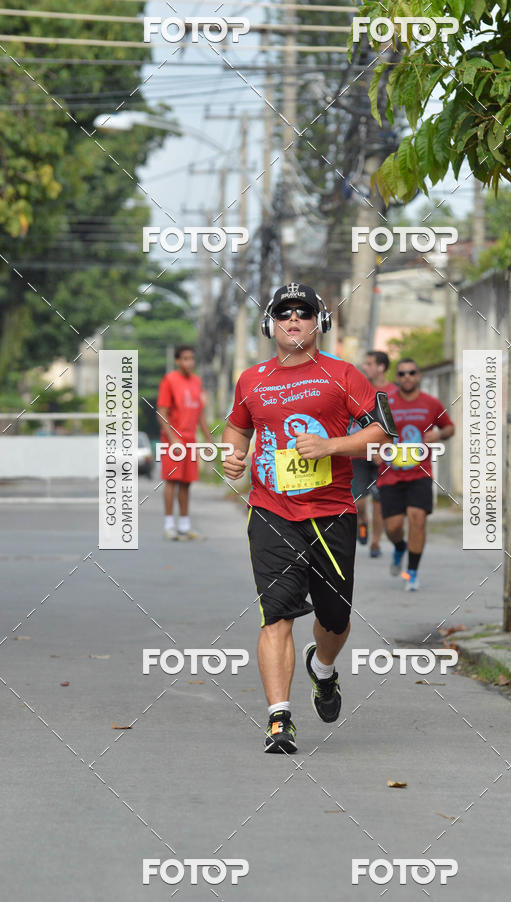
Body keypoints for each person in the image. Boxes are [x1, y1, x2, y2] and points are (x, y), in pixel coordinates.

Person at [222, 283, 395, 754]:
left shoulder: (343, 375)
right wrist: (234, 458)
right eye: (284, 313)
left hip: (332, 512)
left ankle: (323, 668)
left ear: (320, 321)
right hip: (271, 512)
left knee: (335, 620)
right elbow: (237, 429)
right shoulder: (251, 379)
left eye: (303, 312)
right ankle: (279, 720)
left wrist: (332, 446)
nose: (293, 319)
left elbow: (384, 433)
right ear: (270, 325)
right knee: (275, 614)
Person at [377, 358, 454, 590]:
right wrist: (375, 451)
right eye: (402, 374)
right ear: (397, 378)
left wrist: (439, 435)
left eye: (411, 372)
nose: (407, 377)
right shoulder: (386, 404)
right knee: (392, 528)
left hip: (420, 473)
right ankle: (400, 547)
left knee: (417, 520)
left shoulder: (430, 403)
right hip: (390, 474)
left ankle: (411, 573)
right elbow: (371, 432)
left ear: (418, 376)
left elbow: (449, 427)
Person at [157, 344, 211, 540]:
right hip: (173, 440)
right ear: (178, 361)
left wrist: (208, 439)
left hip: (190, 440)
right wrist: (173, 439)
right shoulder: (169, 380)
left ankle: (185, 525)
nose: (190, 362)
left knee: (187, 483)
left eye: (192, 358)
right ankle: (169, 525)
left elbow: (201, 414)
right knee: (172, 481)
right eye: (185, 358)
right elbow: (161, 412)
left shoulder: (196, 382)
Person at [351, 350, 391, 558]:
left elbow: (396, 424)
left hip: (383, 456)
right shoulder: (358, 390)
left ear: (381, 367)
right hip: (358, 454)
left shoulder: (393, 392)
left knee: (378, 501)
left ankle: (376, 543)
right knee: (359, 503)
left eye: (369, 364)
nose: (364, 367)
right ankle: (362, 525)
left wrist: (384, 448)